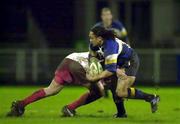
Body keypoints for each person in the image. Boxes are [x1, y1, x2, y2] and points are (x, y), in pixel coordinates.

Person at [86, 26, 160, 113]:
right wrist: (93, 65)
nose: (90, 40)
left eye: (91, 38)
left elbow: (110, 70)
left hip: (129, 62)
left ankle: (151, 97)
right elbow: (92, 54)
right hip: (117, 64)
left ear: (99, 38)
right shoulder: (94, 44)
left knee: (121, 92)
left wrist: (94, 78)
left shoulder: (110, 46)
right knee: (113, 86)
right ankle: (121, 114)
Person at [6, 52, 104, 117]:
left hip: (69, 59)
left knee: (51, 89)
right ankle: (70, 108)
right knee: (97, 92)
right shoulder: (113, 54)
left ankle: (20, 104)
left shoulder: (103, 46)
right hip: (79, 65)